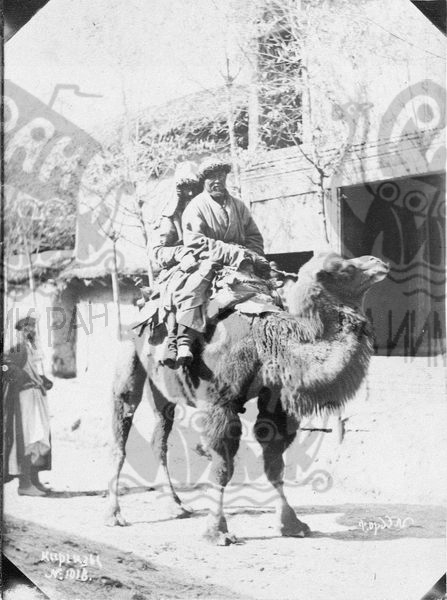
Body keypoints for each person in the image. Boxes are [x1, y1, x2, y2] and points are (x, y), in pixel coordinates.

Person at [174, 156, 269, 364]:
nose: (217, 181)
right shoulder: (196, 207)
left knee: (272, 289)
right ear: (204, 181)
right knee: (194, 288)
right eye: (211, 177)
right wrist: (231, 252)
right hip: (208, 261)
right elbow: (195, 241)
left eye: (221, 176)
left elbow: (254, 236)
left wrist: (253, 256)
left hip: (242, 262)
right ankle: (184, 340)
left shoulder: (239, 206)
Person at [150, 162, 203, 367]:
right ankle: (175, 340)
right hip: (176, 267)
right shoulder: (168, 217)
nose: (189, 193)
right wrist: (180, 253)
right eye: (184, 187)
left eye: (194, 187)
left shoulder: (205, 211)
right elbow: (157, 252)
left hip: (208, 260)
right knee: (183, 286)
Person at [3, 316, 52, 496]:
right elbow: (5, 366)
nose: (30, 331)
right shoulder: (17, 347)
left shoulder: (31, 347)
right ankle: (24, 484)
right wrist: (22, 378)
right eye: (27, 328)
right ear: (20, 330)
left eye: (32, 327)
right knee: (28, 439)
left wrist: (43, 380)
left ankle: (34, 480)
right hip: (24, 399)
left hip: (36, 396)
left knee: (38, 438)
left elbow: (34, 371)